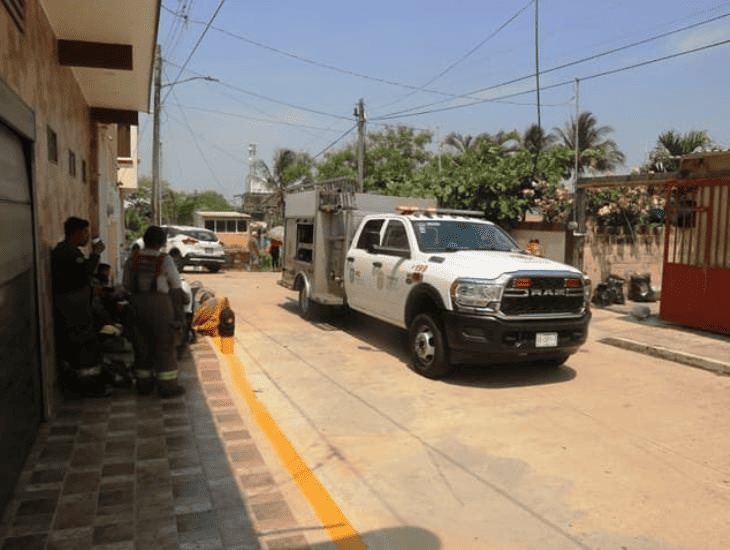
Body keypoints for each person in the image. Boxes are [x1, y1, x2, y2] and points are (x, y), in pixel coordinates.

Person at [123, 225, 187, 397]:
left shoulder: (132, 259)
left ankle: (144, 385)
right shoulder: (165, 260)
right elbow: (175, 286)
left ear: (144, 240)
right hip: (160, 306)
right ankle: (167, 387)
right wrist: (179, 313)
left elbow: (127, 285)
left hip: (136, 305)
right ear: (162, 242)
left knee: (141, 345)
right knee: (164, 346)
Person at [51, 216, 109, 397]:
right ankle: (87, 386)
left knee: (83, 347)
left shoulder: (68, 251)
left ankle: (86, 384)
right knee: (83, 348)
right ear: (76, 233)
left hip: (76, 309)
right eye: (85, 232)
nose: (87, 236)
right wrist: (96, 254)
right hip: (73, 312)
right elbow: (85, 272)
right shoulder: (68, 253)